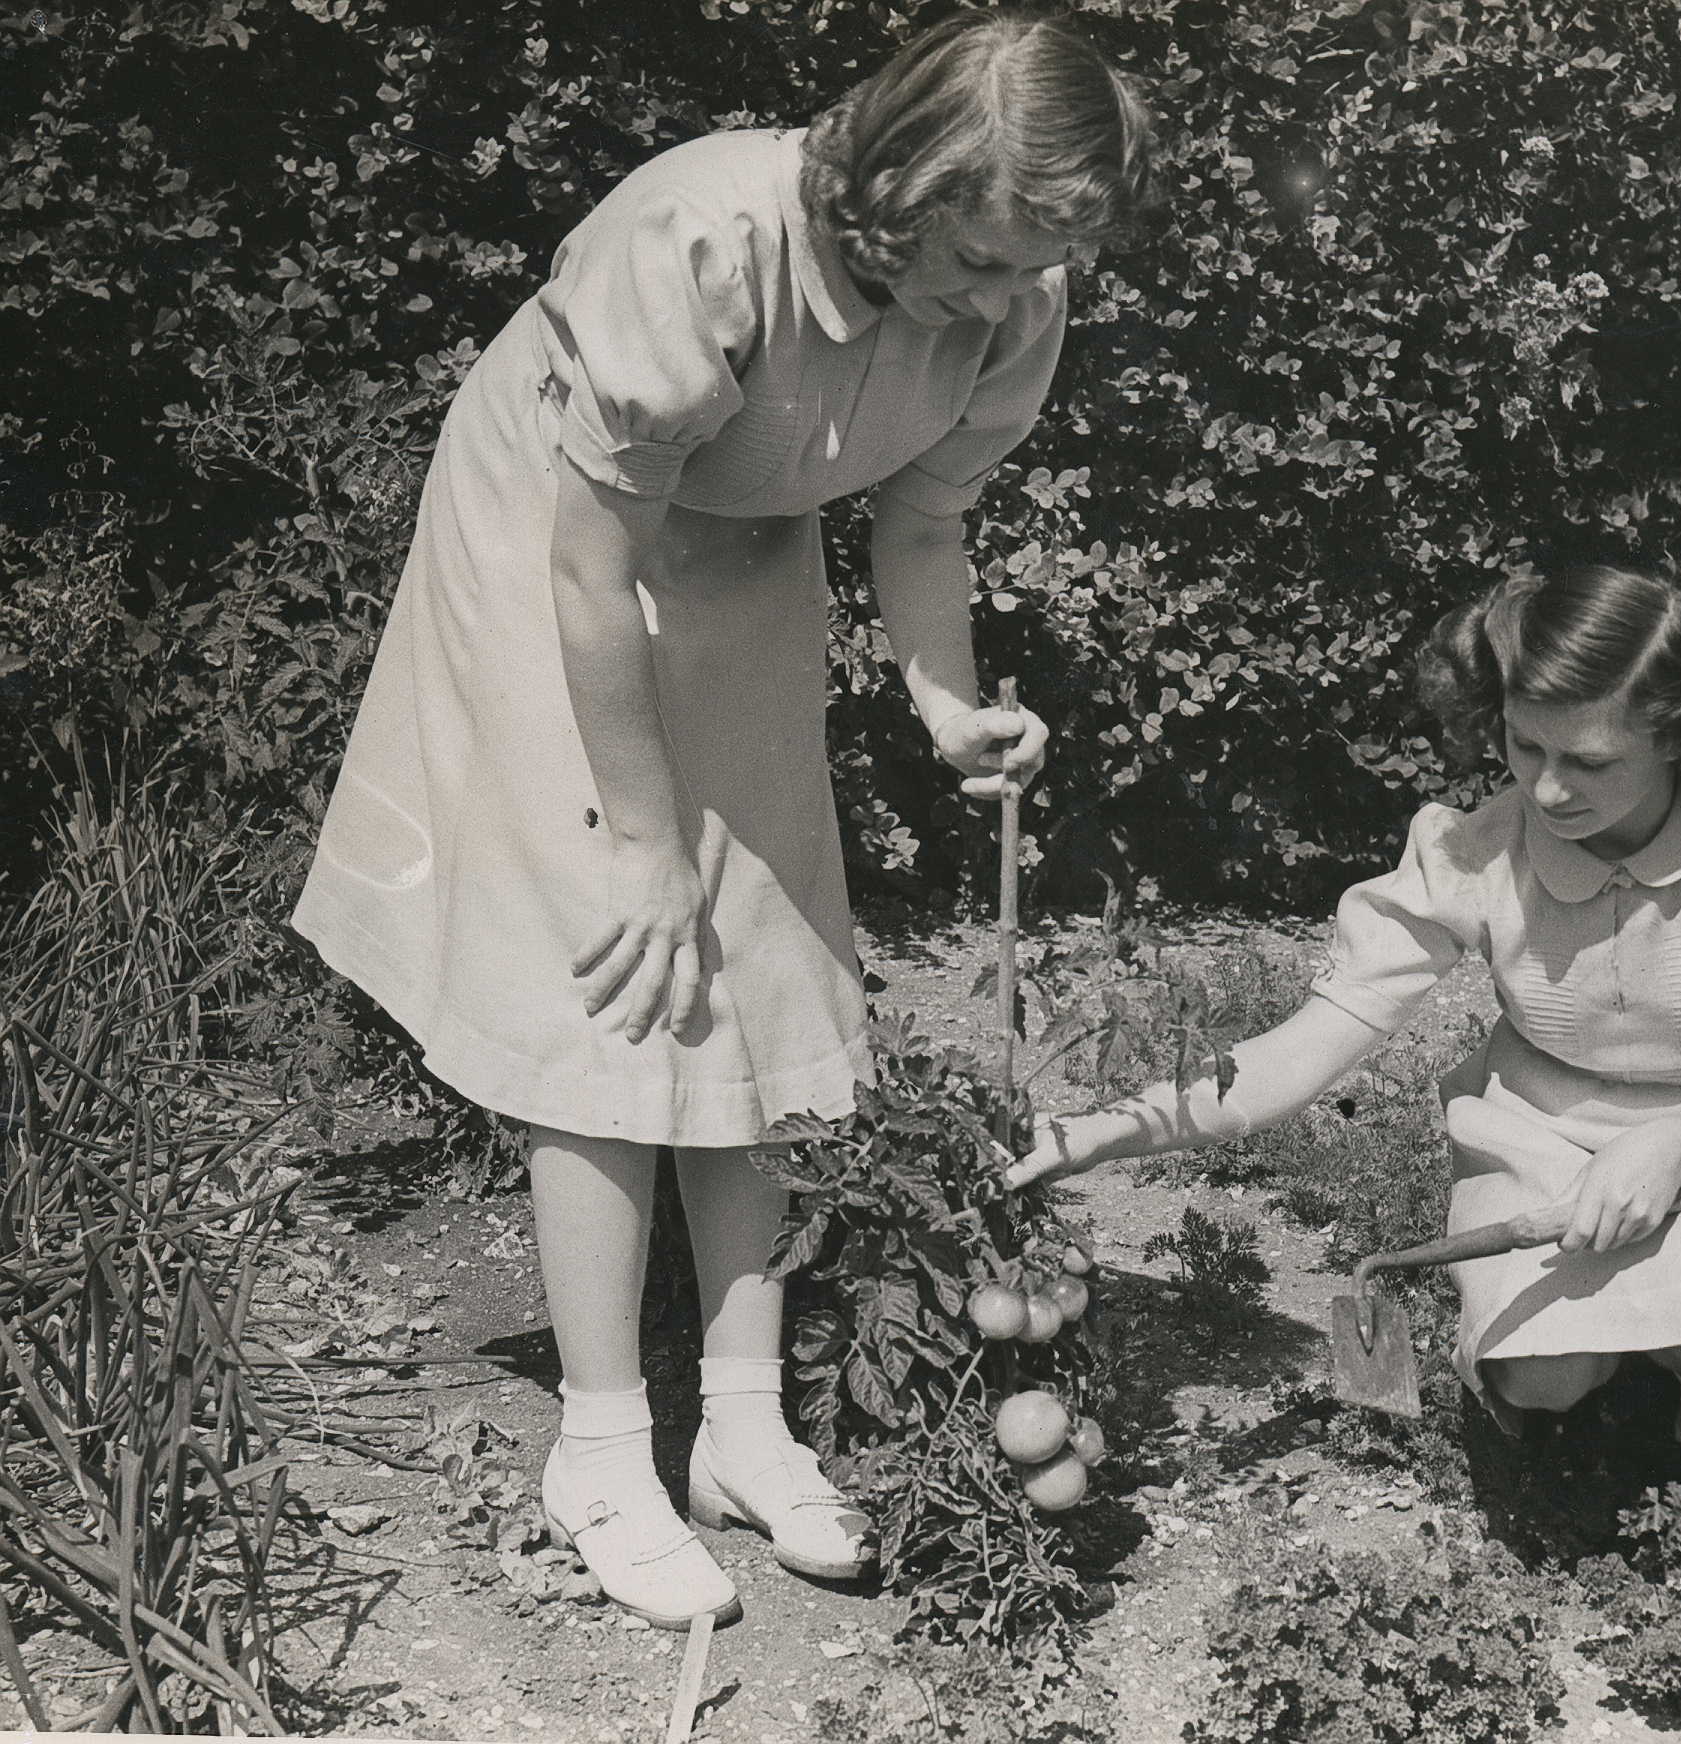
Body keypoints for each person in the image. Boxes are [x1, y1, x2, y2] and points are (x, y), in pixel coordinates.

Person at [293, 13, 1157, 1628]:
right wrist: (633, 834)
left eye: (1028, 264)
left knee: (762, 954)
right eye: (973, 256)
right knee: (628, 966)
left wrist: (943, 695)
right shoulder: (697, 236)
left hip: (736, 539)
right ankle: (603, 1444)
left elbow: (921, 518)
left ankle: (741, 1427)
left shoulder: (1009, 292)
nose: (998, 298)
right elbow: (585, 556)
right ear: (894, 181)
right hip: (558, 540)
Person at [1009, 565, 1681, 1513]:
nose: (1549, 790)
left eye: (1591, 762)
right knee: (1540, 1374)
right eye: (1524, 746)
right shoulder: (1475, 854)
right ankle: (1609, 1376)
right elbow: (1296, 1054)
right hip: (1550, 1121)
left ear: (1680, 734)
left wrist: (1675, 1150)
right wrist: (1093, 1134)